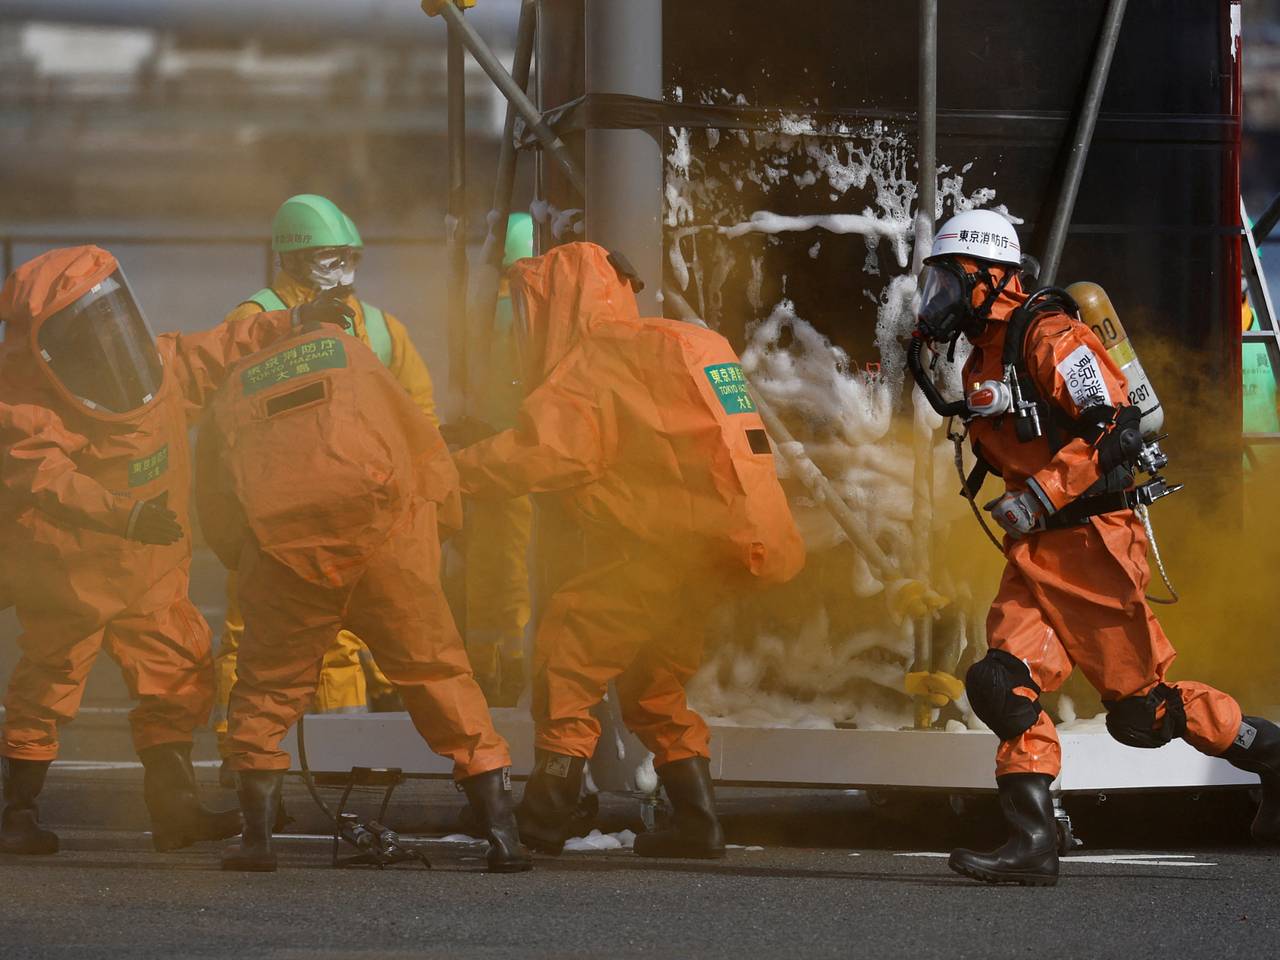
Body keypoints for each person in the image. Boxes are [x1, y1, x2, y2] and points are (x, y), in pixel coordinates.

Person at [909, 209, 1280, 886]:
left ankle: (1274, 757)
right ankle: (1032, 841)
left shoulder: (1052, 336)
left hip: (1092, 542)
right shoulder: (984, 354)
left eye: (950, 282)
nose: (941, 301)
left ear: (991, 277)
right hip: (1039, 548)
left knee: (1143, 712)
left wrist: (1042, 494)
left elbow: (1117, 429)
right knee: (1000, 680)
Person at [452, 241, 806, 858]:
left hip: (654, 552)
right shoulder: (680, 342)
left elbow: (549, 454)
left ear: (558, 301)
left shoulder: (596, 359)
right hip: (710, 552)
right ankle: (698, 825)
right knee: (654, 685)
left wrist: (449, 471)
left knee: (567, 659)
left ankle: (542, 819)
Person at [0, 246, 340, 854]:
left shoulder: (160, 366)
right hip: (70, 572)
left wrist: (295, 320)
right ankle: (15, 815)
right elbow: (43, 480)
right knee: (46, 685)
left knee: (176, 677)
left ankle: (175, 811)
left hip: (147, 571)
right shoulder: (26, 404)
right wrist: (125, 514)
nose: (106, 338)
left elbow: (227, 345)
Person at [196, 323, 529, 874]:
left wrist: (260, 561)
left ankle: (256, 841)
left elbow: (217, 505)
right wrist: (432, 534)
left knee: (265, 689)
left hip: (286, 562)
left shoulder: (233, 389)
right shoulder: (354, 357)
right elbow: (423, 448)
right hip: (387, 547)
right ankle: (503, 839)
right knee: (439, 676)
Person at [212, 194, 441, 767]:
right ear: (289, 258)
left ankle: (348, 758)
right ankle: (244, 762)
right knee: (253, 633)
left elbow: (420, 421)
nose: (337, 267)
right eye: (324, 256)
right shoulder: (254, 319)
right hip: (276, 508)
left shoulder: (384, 329)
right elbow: (229, 418)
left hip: (357, 508)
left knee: (350, 631)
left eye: (345, 255)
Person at [459, 212, 536, 706]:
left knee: (485, 563)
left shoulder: (482, 309)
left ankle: (483, 668)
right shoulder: (522, 313)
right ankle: (515, 666)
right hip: (519, 448)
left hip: (482, 446)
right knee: (518, 562)